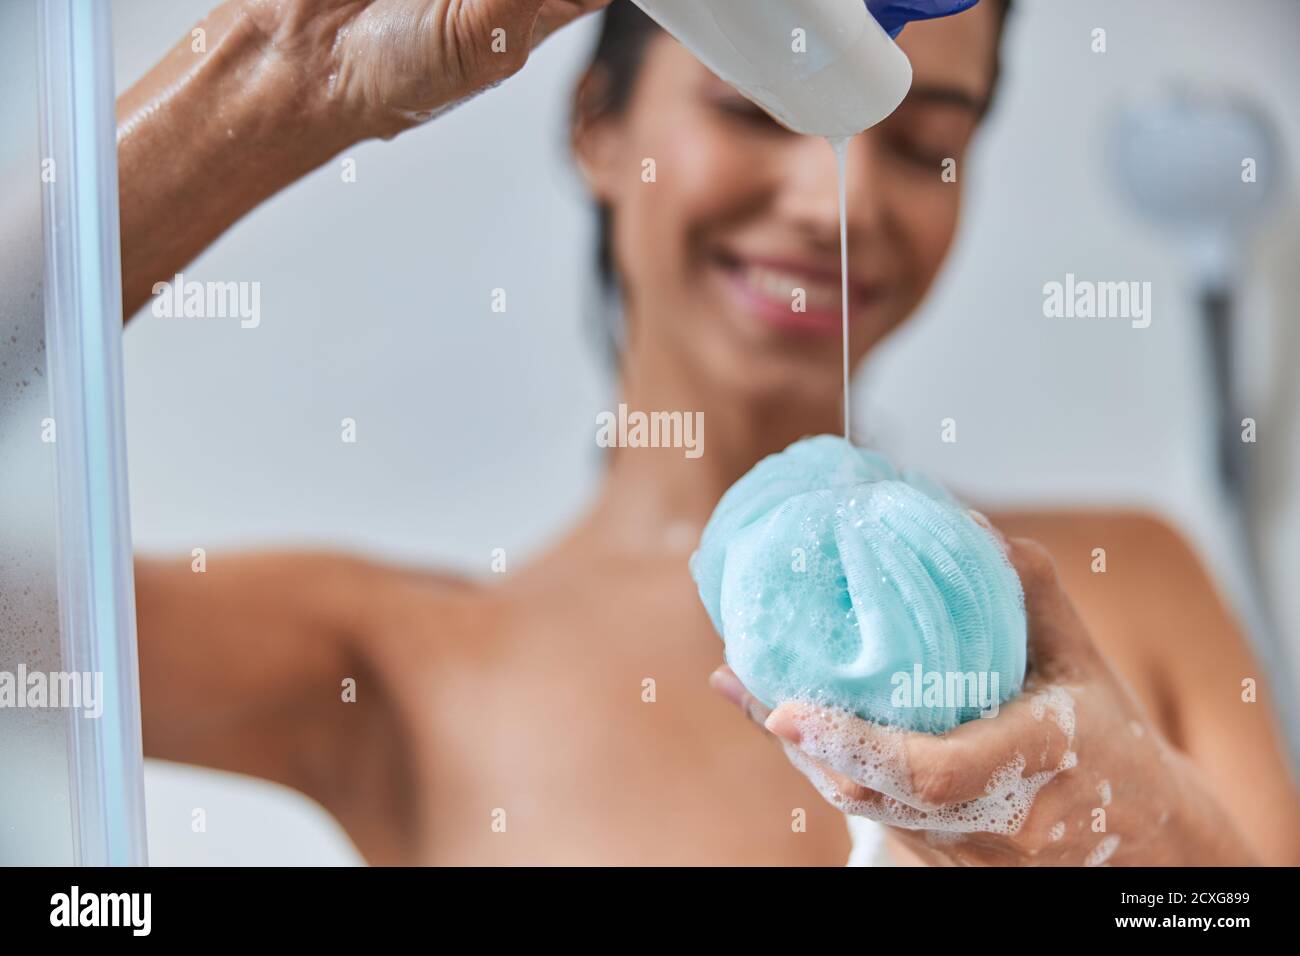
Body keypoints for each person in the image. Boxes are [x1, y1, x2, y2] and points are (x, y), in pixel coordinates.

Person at [124, 0, 1300, 864]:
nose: (839, 201)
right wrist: (283, 72)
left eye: (922, 143)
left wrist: (1155, 843)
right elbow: (41, 595)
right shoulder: (392, 667)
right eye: (755, 106)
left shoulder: (1125, 590)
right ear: (596, 124)